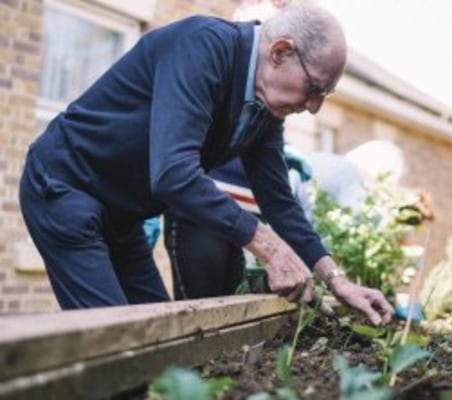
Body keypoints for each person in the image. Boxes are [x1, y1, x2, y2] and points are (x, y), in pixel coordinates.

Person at [19, 4, 393, 325]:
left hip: (121, 216)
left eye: (324, 96)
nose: (313, 107)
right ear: (280, 52)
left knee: (160, 335)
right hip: (64, 186)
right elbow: (173, 174)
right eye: (314, 89)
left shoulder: (264, 110)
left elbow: (279, 202)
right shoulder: (203, 46)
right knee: (113, 343)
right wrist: (269, 247)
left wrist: (335, 278)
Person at [165, 151, 312, 300]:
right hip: (201, 214)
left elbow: (279, 199)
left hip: (243, 226)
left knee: (230, 301)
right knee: (200, 305)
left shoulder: (266, 133)